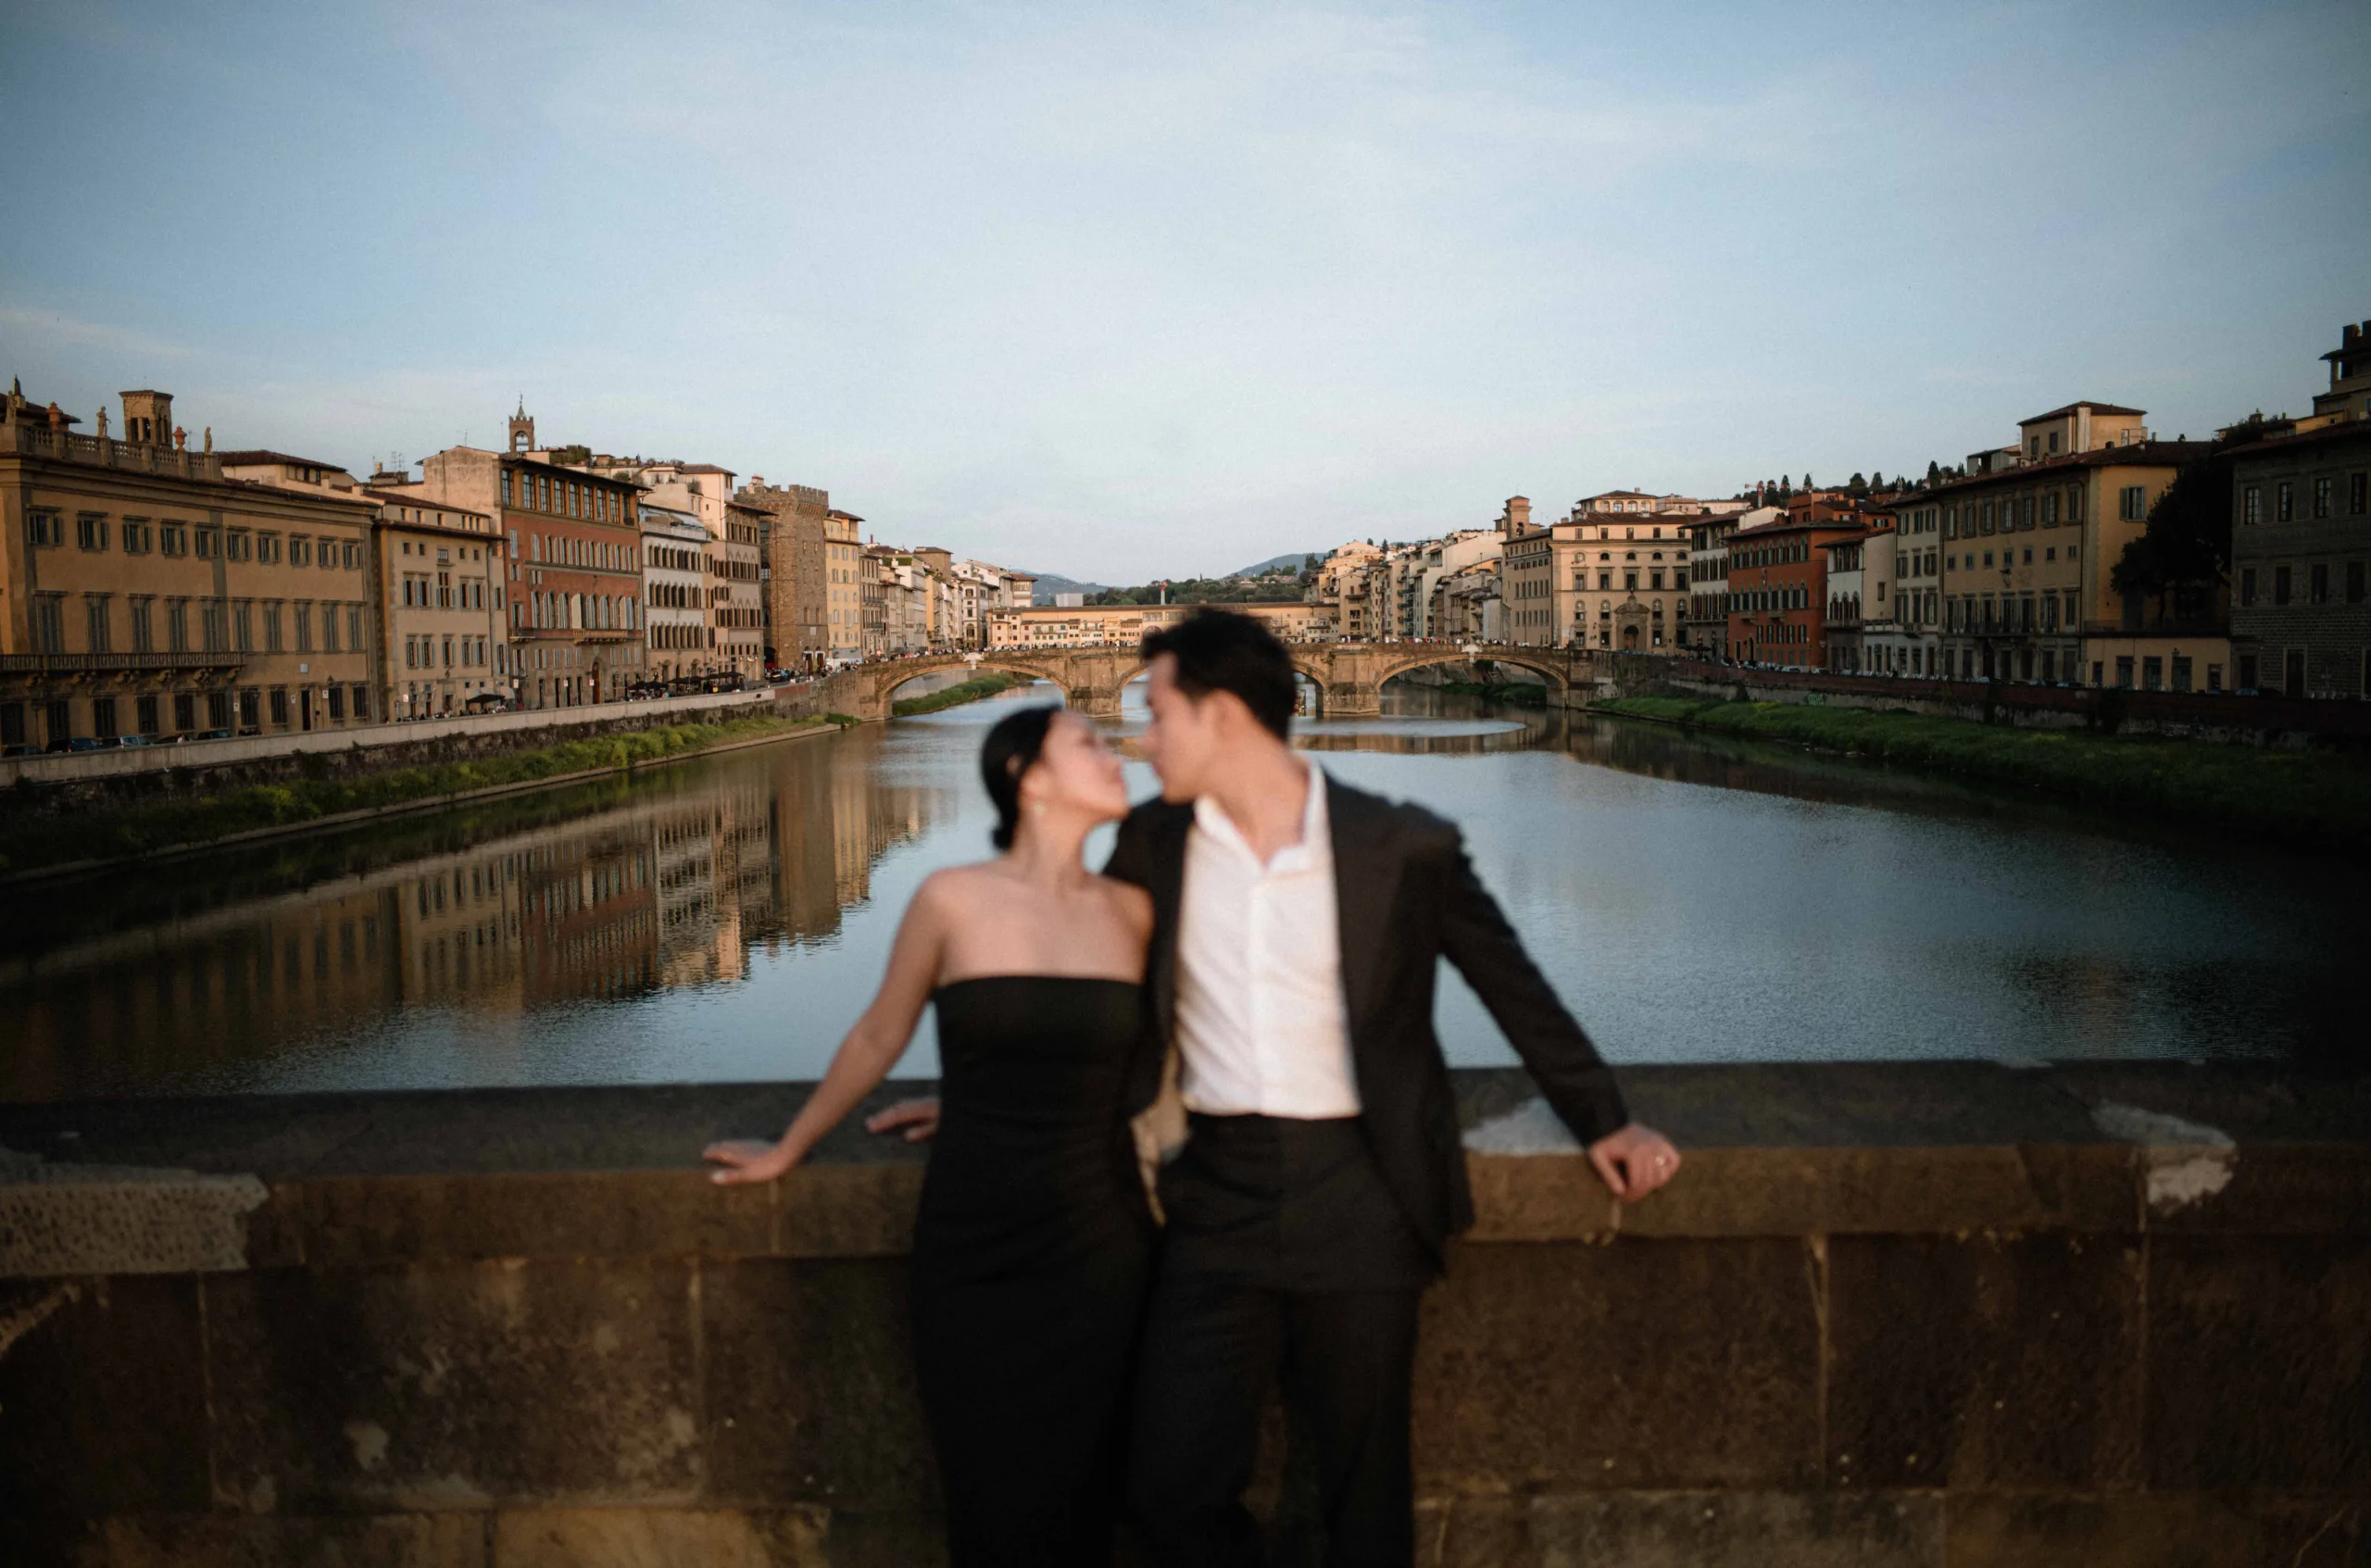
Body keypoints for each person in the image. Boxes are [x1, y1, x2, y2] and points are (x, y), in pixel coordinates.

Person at [1109, 609, 1681, 1568]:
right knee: (1167, 1484)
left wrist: (1603, 1119)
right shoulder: (1150, 841)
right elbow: (1102, 1000)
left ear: (1222, 717)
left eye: (1158, 712)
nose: (1140, 735)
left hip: (1362, 1186)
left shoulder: (1397, 842)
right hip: (1214, 1190)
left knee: (1363, 1490)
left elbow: (1512, 984)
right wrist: (987, 1095)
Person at [703, 704, 1158, 1567]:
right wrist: (790, 1146)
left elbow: (1154, 1055)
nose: (1114, 752)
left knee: (1092, 1491)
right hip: (975, 1241)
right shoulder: (952, 899)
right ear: (1028, 776)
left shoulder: (1132, 912)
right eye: (1088, 744)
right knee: (987, 1493)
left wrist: (1006, 1085)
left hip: (1102, 1241)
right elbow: (879, 1035)